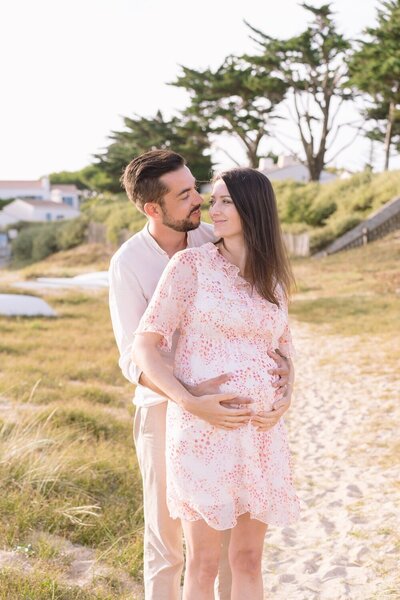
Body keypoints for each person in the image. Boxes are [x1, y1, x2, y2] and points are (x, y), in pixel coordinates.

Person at [108, 151, 292, 600]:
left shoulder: (219, 241)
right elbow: (137, 353)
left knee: (241, 555)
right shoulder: (132, 263)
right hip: (168, 410)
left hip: (253, 431)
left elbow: (276, 340)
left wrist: (287, 387)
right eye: (187, 194)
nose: (205, 202)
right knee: (172, 546)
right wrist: (189, 398)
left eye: (203, 191)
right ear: (155, 208)